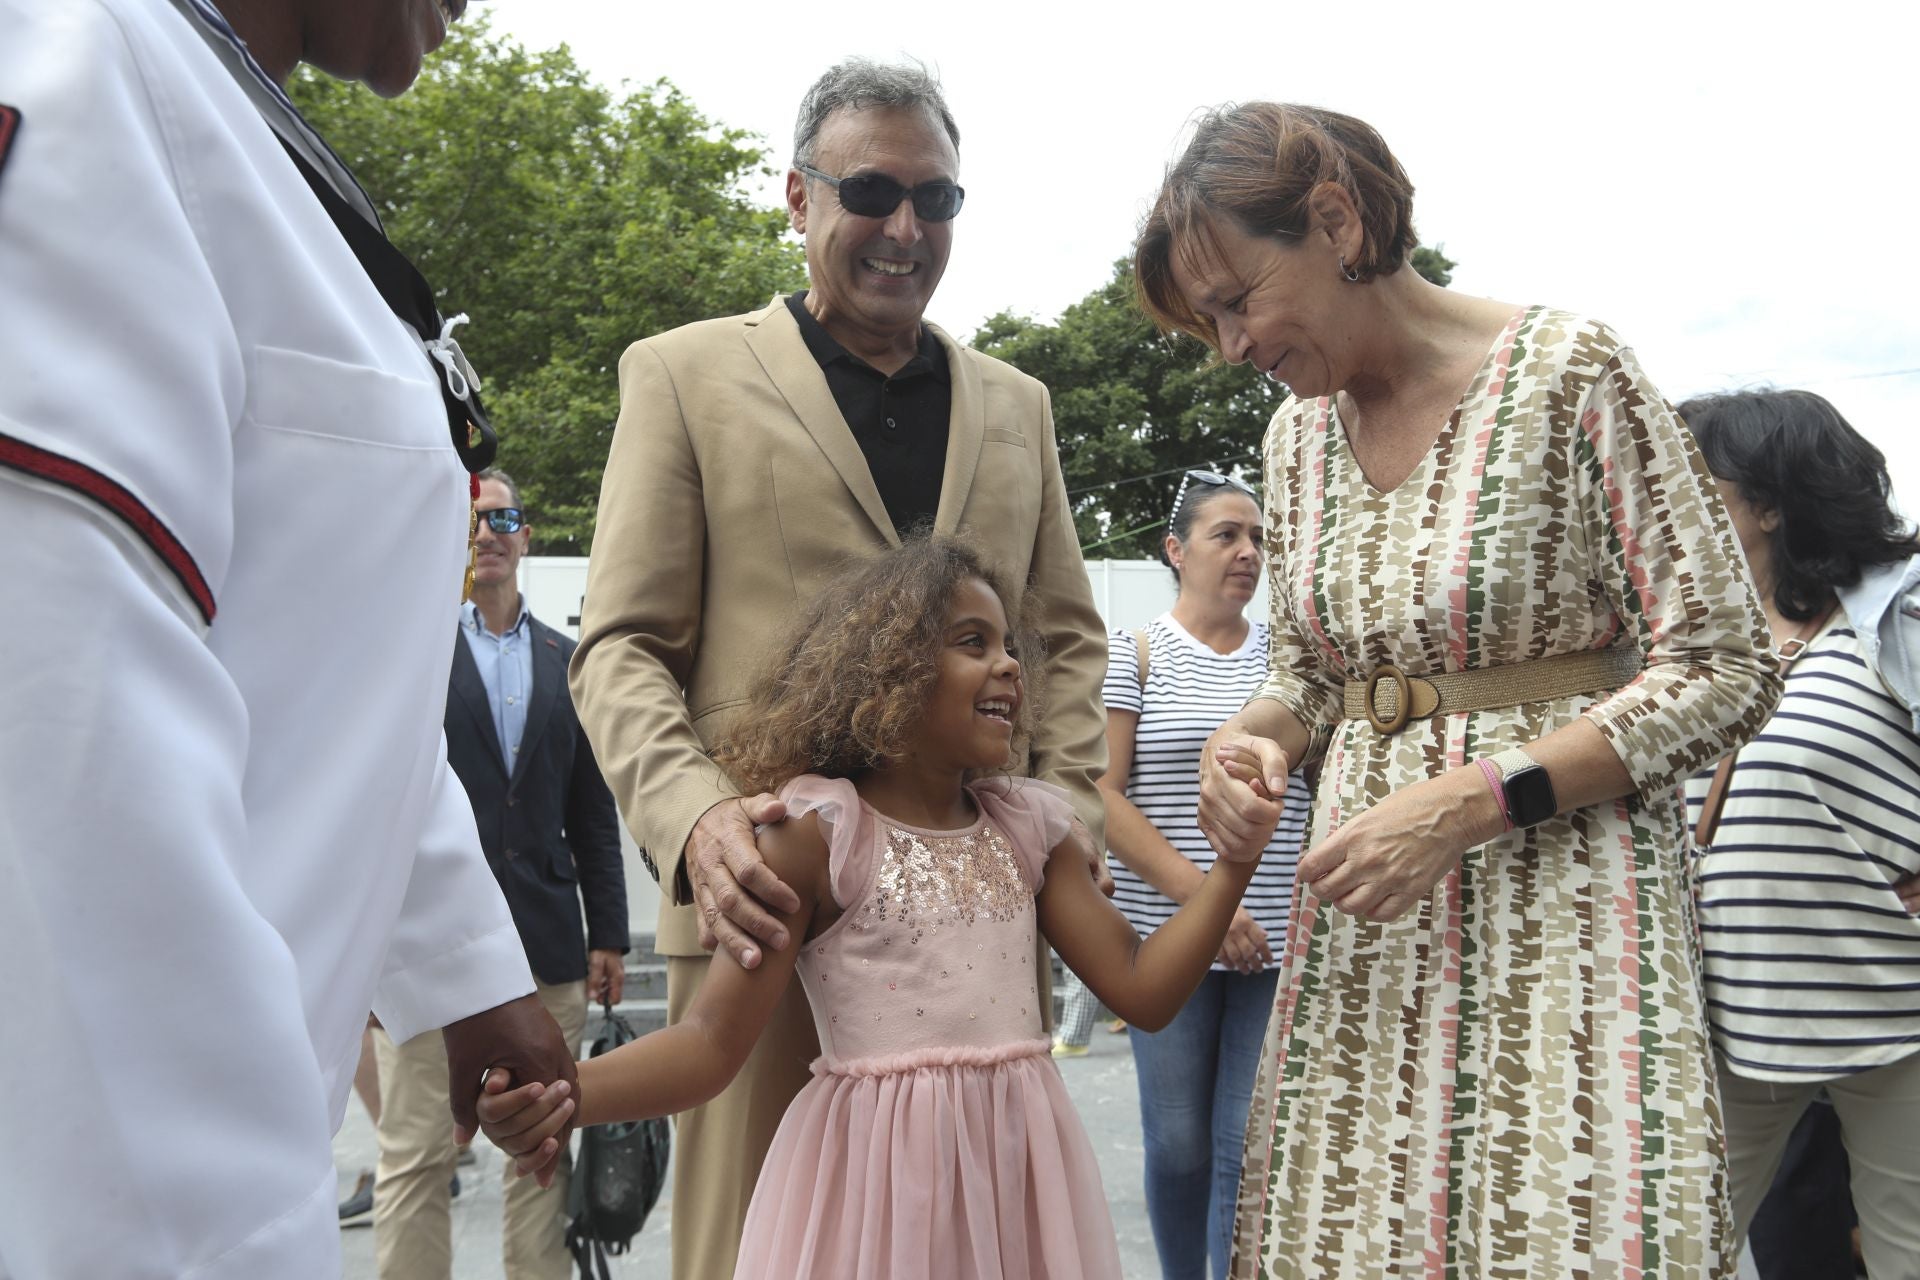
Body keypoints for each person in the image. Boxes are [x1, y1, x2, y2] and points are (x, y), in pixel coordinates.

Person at [1138, 104, 1782, 1276]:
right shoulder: (1293, 439)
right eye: (1210, 320)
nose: (1229, 344)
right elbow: (1316, 675)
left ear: (1335, 221)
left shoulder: (1568, 372)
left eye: (1238, 299)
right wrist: (1255, 735)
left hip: (1567, 915)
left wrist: (1479, 797)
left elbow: (1726, 661)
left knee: (1563, 1230)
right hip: (1366, 932)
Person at [0, 3, 578, 1275]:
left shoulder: (224, 111)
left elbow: (324, 670)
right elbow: (63, 734)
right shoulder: (73, 62)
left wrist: (466, 964)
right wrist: (230, 1238)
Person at [569, 57, 1109, 1280]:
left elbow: (1067, 635)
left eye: (938, 200)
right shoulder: (683, 373)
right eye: (871, 191)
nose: (906, 228)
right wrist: (699, 818)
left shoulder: (1018, 405)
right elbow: (620, 647)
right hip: (764, 902)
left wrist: (1061, 815)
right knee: (751, 1249)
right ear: (797, 197)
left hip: (962, 944)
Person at [488, 539, 1262, 1279]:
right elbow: (709, 1043)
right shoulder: (816, 839)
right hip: (874, 1197)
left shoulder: (1030, 832)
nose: (1009, 667)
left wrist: (1232, 865)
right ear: (891, 670)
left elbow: (1142, 988)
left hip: (1019, 1183)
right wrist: (565, 1097)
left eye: (1011, 648)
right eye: (973, 642)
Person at [1677, 389, 1920, 1280]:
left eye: (1697, 482)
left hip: (1895, 1010)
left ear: (1772, 503)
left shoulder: (1895, 615)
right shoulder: (1695, 640)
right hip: (1735, 1024)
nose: (1668, 500)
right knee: (1678, 1248)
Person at [371, 468, 629, 1280]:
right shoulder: (408, 651)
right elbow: (375, 798)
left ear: (525, 535)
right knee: (415, 1160)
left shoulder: (566, 659)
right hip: (429, 947)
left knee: (540, 1153)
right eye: (475, 519)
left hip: (548, 944)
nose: (489, 532)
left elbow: (591, 813)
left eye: (504, 518)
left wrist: (610, 934)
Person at [1095, 470, 1310, 1279]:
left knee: (1242, 1146)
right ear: (1175, 550)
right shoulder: (1137, 652)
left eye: (1258, 538)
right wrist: (1206, 904)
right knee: (1178, 1143)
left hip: (1277, 943)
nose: (1248, 552)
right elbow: (1104, 796)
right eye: (1227, 535)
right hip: (1166, 938)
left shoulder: (1292, 664)